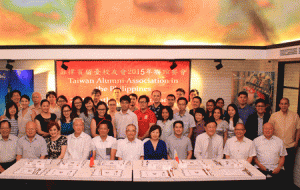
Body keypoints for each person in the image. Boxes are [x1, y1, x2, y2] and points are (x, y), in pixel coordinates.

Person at [268, 98, 300, 182]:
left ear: (288, 105)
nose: (283, 106)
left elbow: (298, 129)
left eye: (285, 104)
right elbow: (269, 129)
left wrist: (296, 142)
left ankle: (288, 186)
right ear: (279, 105)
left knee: (289, 169)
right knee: (277, 169)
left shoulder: (295, 116)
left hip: (290, 146)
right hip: (277, 147)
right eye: (281, 104)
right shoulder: (274, 116)